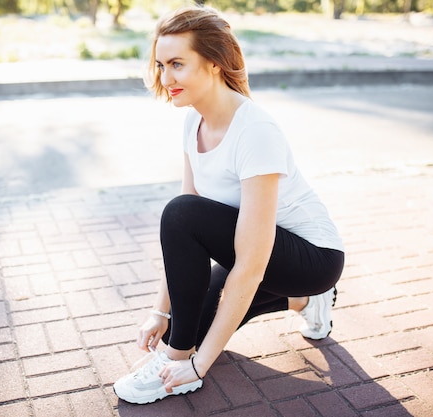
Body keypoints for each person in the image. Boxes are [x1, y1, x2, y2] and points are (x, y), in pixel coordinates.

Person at [113, 5, 345, 405]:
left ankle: (178, 360)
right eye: (161, 65)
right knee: (185, 322)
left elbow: (248, 264)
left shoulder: (255, 130)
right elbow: (185, 242)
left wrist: (193, 364)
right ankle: (308, 302)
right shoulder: (193, 123)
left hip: (313, 257)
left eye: (177, 64)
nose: (165, 78)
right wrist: (161, 314)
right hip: (258, 252)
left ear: (215, 64)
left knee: (181, 218)